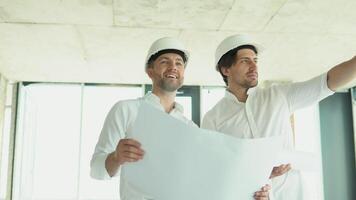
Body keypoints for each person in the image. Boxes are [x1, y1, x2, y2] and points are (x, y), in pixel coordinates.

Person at [90, 37, 271, 200]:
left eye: (179, 63)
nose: (173, 67)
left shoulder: (190, 128)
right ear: (149, 70)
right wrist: (116, 157)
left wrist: (252, 191)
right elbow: (96, 171)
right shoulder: (127, 110)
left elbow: (205, 181)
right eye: (164, 62)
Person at [201, 34, 356, 200]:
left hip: (292, 194)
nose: (254, 66)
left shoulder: (278, 96)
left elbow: (326, 83)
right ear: (226, 70)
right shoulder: (213, 119)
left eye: (255, 60)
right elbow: (216, 172)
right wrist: (261, 174)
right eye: (245, 61)